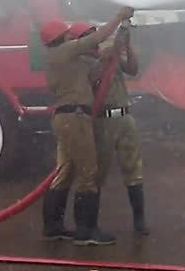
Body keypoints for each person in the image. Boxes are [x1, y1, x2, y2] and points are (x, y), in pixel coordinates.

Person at [39, 6, 133, 246]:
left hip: (67, 118)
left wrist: (111, 52)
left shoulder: (61, 59)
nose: (72, 36)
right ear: (62, 37)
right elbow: (97, 38)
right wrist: (118, 17)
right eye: (68, 33)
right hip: (75, 118)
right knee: (89, 173)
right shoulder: (65, 51)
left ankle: (53, 227)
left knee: (66, 172)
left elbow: (93, 74)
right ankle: (86, 231)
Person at [69, 21, 149, 236]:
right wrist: (110, 54)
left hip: (125, 118)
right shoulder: (79, 61)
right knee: (96, 175)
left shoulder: (106, 55)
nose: (95, 39)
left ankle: (139, 222)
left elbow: (132, 69)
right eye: (90, 35)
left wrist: (126, 48)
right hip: (102, 122)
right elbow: (91, 77)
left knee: (134, 171)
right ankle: (88, 226)